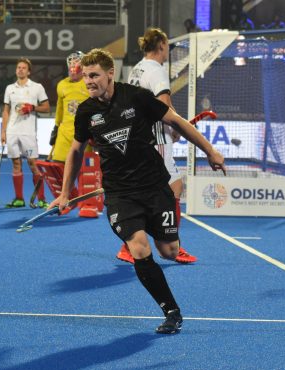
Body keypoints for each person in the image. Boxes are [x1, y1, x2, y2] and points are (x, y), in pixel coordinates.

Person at [49, 49, 226, 334]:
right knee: (139, 248)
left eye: (94, 75)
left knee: (169, 251)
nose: (89, 81)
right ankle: (171, 311)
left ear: (110, 74)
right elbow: (76, 151)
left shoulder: (137, 97)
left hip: (155, 187)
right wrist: (66, 192)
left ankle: (165, 246)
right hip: (120, 194)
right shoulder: (86, 111)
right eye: (85, 76)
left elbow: (177, 122)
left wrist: (211, 151)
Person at [122, 28, 197, 265]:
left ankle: (131, 245)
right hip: (156, 138)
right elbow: (164, 102)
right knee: (174, 189)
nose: (168, 53)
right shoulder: (156, 70)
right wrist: (176, 127)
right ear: (162, 45)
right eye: (167, 48)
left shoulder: (137, 68)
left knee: (161, 190)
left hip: (140, 137)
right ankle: (172, 245)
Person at [44, 51, 102, 219]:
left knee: (86, 171)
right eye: (70, 66)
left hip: (84, 133)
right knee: (58, 168)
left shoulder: (88, 83)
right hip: (64, 133)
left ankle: (88, 205)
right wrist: (55, 130)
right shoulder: (61, 85)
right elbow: (60, 111)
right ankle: (67, 199)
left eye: (75, 66)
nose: (72, 69)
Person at [1, 57, 51, 208]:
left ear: (29, 71)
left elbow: (47, 108)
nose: (20, 69)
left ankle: (41, 199)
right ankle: (19, 199)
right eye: (18, 67)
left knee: (33, 164)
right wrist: (3, 131)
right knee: (16, 164)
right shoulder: (10, 88)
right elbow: (6, 111)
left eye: (23, 68)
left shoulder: (37, 87)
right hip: (12, 132)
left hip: (28, 133)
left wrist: (33, 107)